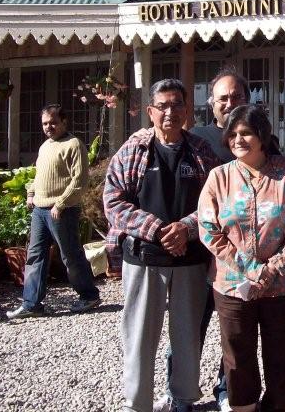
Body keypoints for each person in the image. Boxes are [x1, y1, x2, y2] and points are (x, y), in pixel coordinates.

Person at [103, 79, 220, 412]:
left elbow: (216, 202)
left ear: (187, 110)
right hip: (144, 260)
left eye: (177, 105)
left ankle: (183, 399)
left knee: (187, 337)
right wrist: (155, 229)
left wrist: (185, 228)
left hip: (189, 259)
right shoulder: (133, 150)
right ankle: (137, 403)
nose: (170, 112)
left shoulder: (200, 151)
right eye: (163, 106)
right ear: (150, 111)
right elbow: (113, 201)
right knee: (139, 337)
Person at [198, 104, 285, 412]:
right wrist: (248, 268)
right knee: (238, 356)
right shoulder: (218, 178)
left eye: (246, 132)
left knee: (282, 356)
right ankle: (243, 407)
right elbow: (208, 228)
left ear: (262, 135)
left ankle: (277, 407)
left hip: (284, 284)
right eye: (232, 134)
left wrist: (274, 266)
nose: (238, 139)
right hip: (234, 286)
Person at [189, 67, 250, 411]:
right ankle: (181, 387)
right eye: (223, 98)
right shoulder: (195, 138)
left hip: (242, 257)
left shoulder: (262, 139)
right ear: (211, 103)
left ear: (247, 99)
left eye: (236, 96)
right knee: (191, 326)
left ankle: (226, 388)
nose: (229, 103)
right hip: (201, 251)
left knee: (236, 332)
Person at [6, 104, 100, 320]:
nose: (49, 127)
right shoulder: (45, 146)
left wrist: (61, 203)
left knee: (70, 255)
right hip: (40, 210)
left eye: (53, 122)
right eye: (45, 123)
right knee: (35, 256)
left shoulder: (74, 144)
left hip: (62, 211)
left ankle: (89, 295)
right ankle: (32, 304)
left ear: (64, 122)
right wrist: (31, 192)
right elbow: (39, 174)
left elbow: (80, 180)